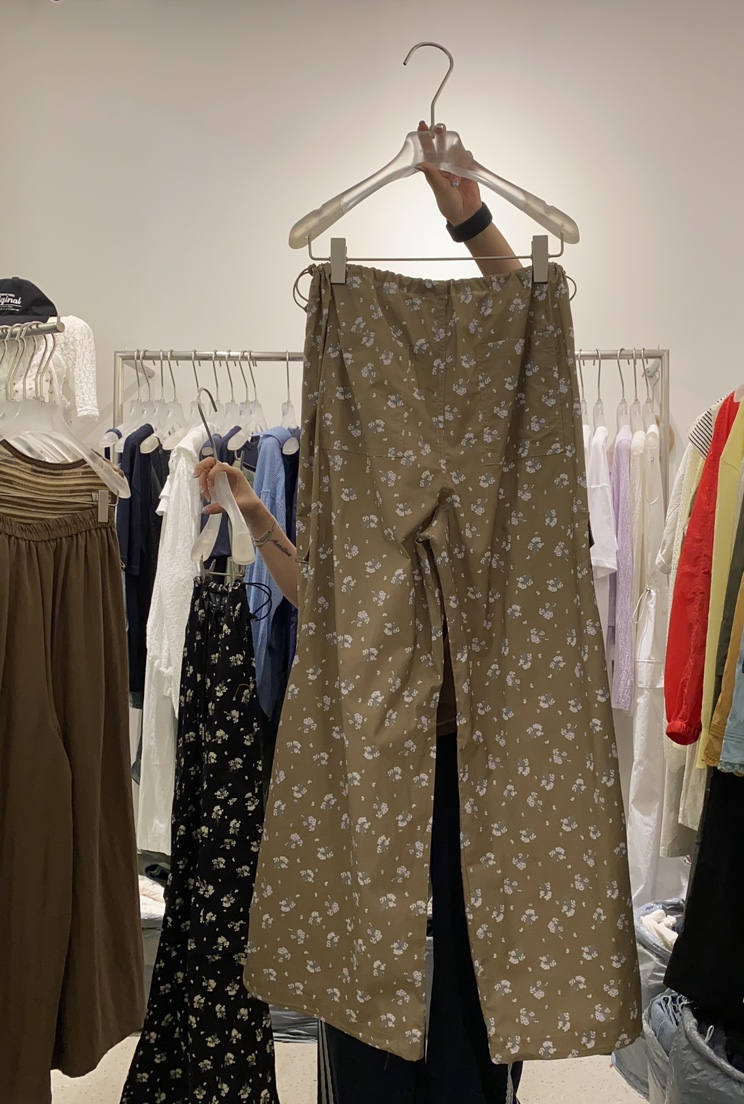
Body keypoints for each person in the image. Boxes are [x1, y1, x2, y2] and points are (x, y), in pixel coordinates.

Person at [196, 123, 526, 1103]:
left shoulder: (505, 489)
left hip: (475, 770)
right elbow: (332, 612)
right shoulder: (362, 489)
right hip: (373, 758)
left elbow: (530, 331)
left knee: (472, 993)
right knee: (365, 992)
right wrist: (260, 519)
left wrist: (472, 221)